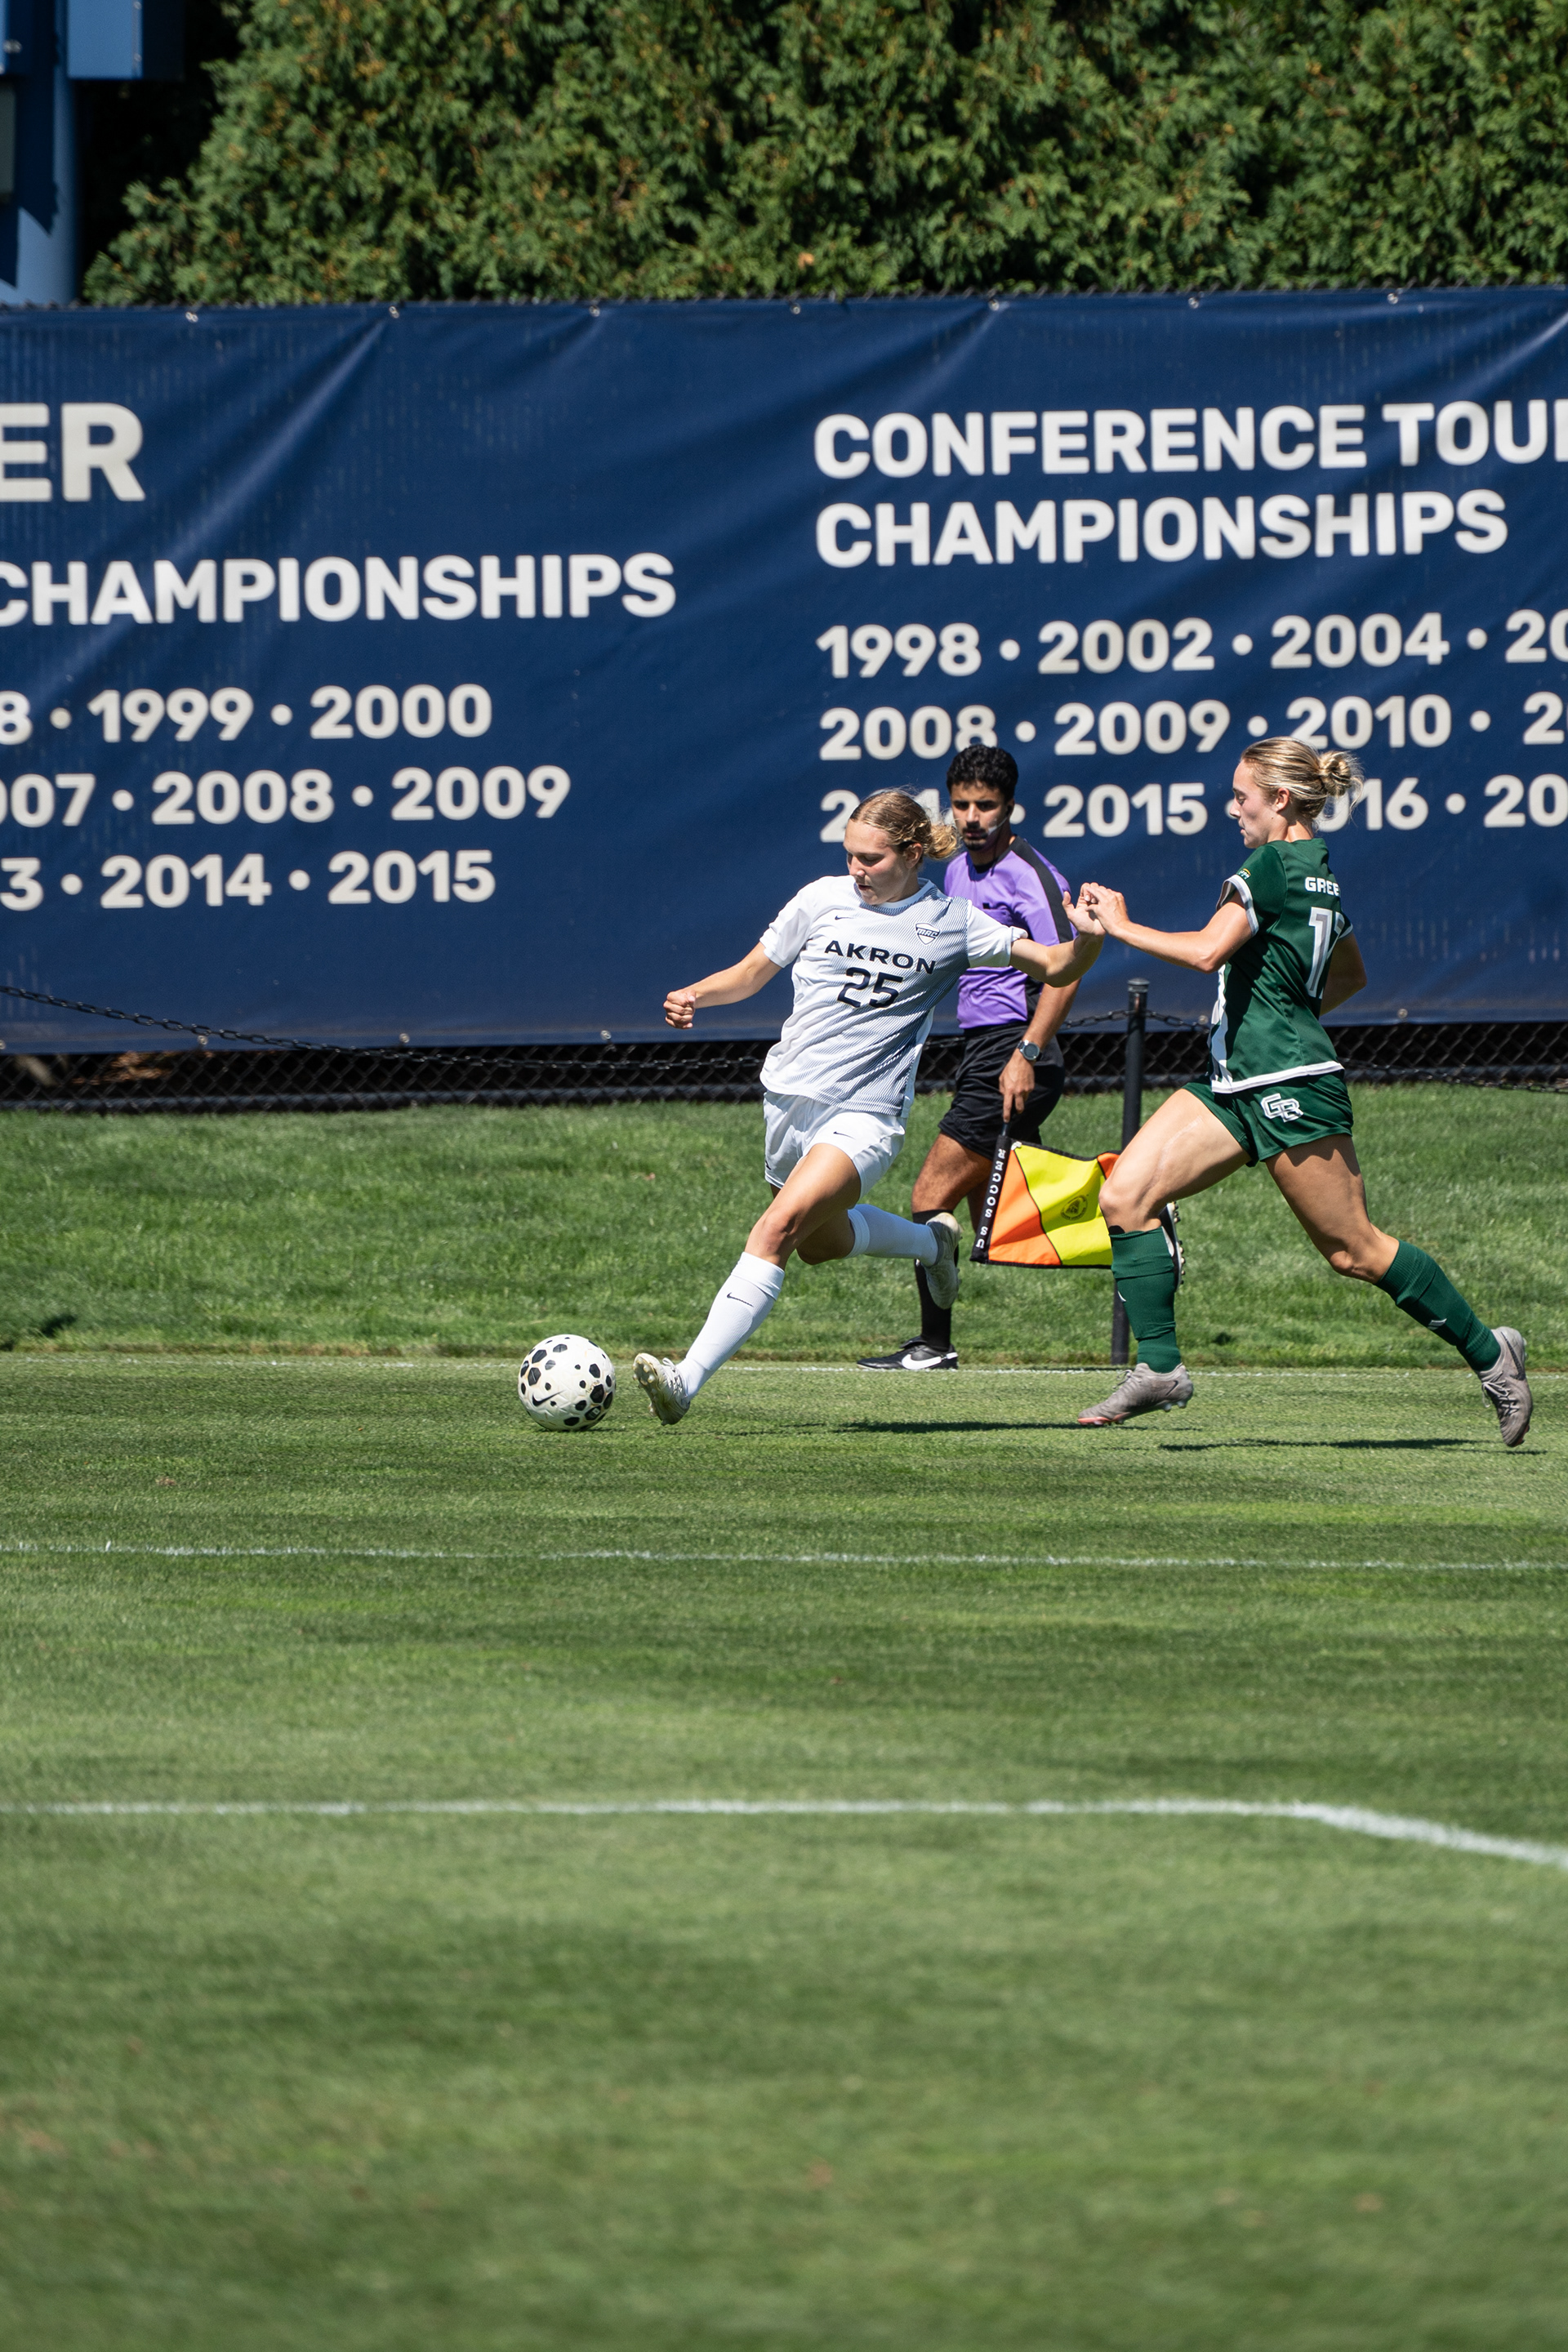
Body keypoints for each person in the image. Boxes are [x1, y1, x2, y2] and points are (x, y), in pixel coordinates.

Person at [1071, 737, 1532, 1443]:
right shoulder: (1317, 870)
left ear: (1280, 799)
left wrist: (1120, 924)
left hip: (1288, 1085)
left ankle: (1491, 1354)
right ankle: (1160, 1367)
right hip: (1236, 1083)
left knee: (1355, 1251)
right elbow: (1350, 976)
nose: (1234, 810)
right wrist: (1281, 1014)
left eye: (1242, 797)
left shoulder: (1269, 865)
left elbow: (1206, 952)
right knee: (1126, 1197)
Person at [633, 788, 1103, 1424]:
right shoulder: (820, 898)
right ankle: (932, 1244)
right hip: (787, 1102)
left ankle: (684, 1382)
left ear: (912, 853)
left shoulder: (952, 921)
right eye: (850, 855)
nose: (857, 869)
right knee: (818, 1245)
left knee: (775, 1230)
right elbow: (749, 974)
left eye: (871, 858)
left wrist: (1088, 938)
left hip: (866, 1116)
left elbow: (1054, 963)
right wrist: (695, 994)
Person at [858, 745, 1080, 1372]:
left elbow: (1066, 971)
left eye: (986, 805)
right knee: (1005, 1218)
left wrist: (1026, 1052)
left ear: (1010, 806)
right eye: (962, 805)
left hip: (1014, 1049)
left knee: (930, 1195)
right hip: (980, 1049)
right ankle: (1135, 1215)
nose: (973, 817)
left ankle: (934, 1345)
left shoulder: (1031, 875)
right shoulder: (954, 867)